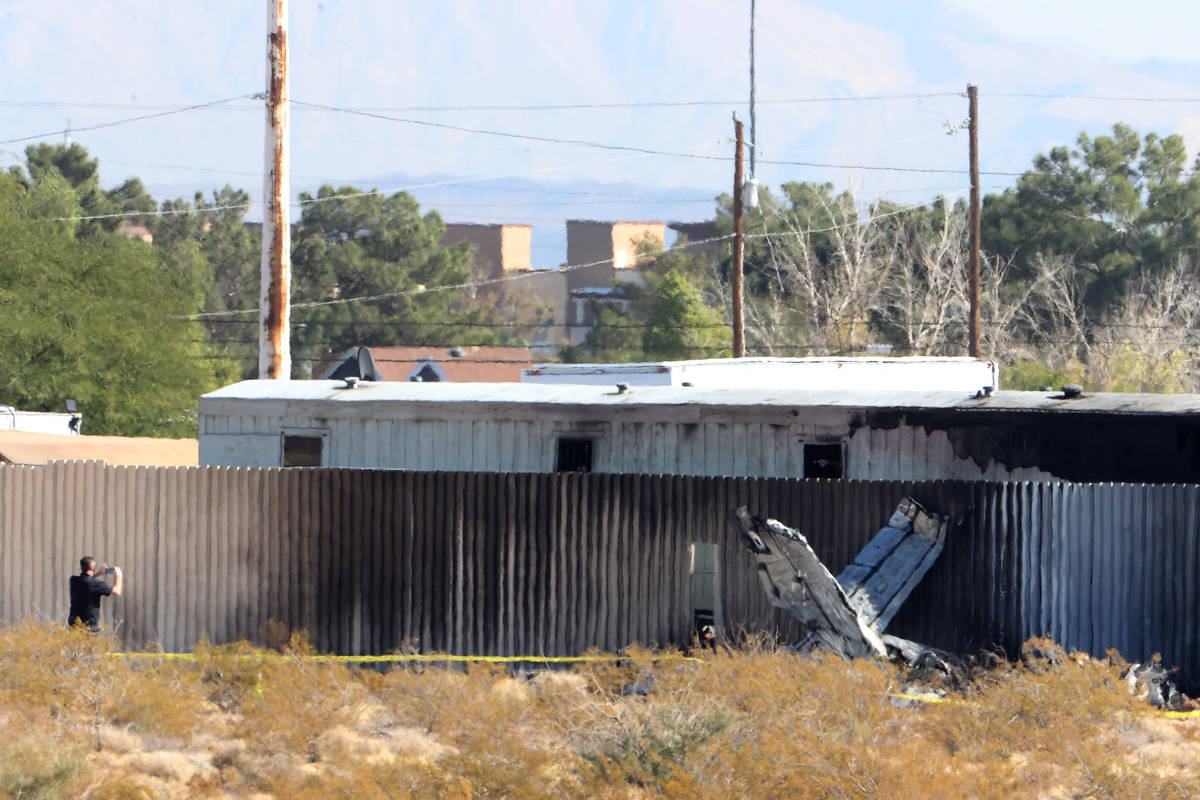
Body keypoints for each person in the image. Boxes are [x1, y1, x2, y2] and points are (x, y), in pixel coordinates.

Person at [68, 556, 122, 632]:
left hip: (74, 625)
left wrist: (99, 573)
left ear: (81, 567)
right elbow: (117, 591)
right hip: (90, 627)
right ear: (92, 568)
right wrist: (119, 576)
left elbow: (87, 581)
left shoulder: (73, 580)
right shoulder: (97, 584)